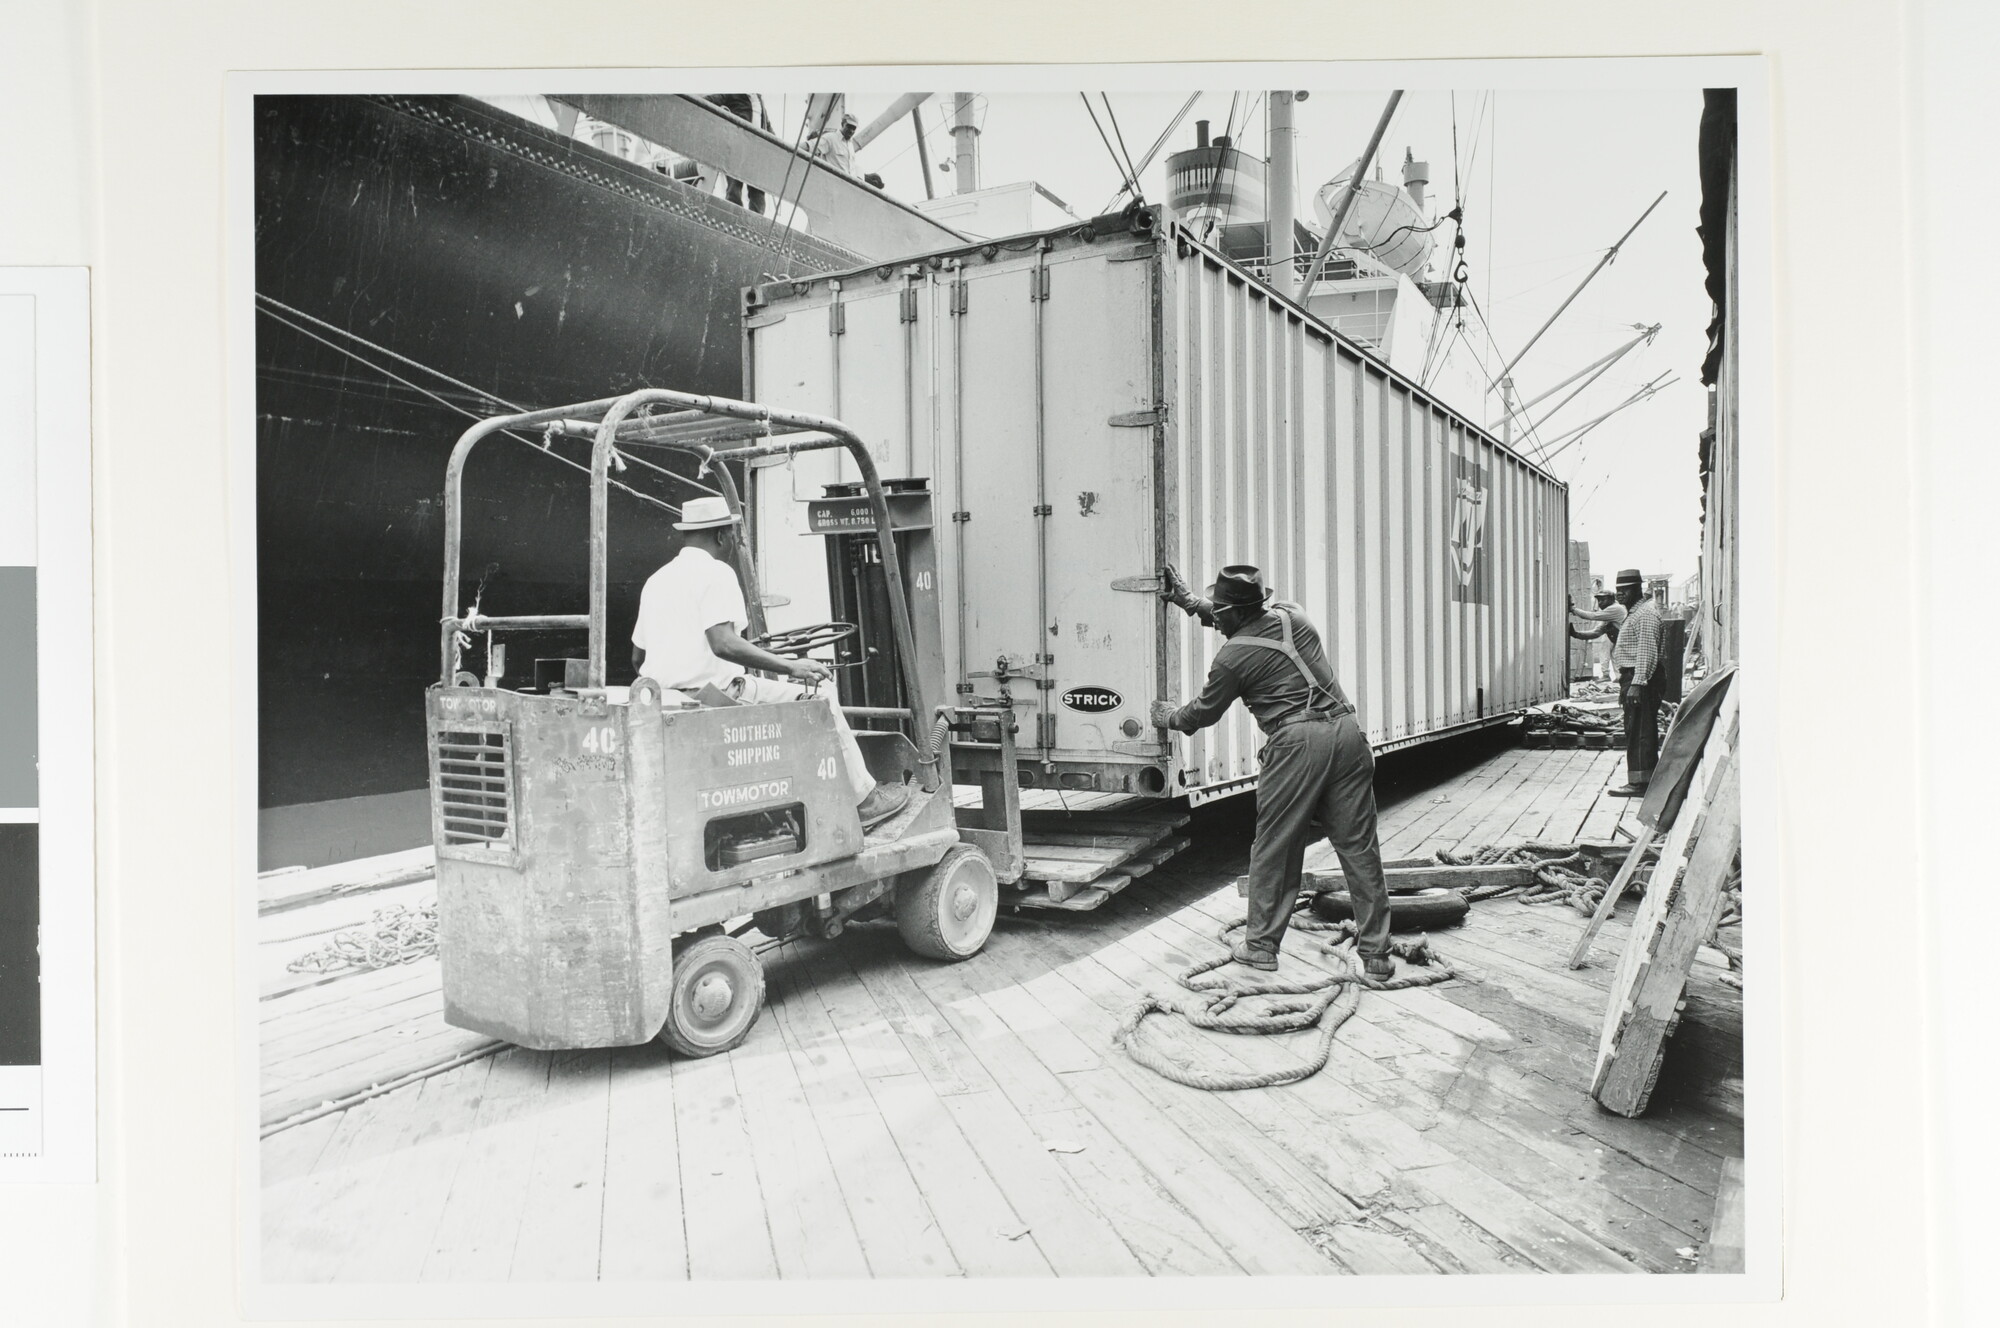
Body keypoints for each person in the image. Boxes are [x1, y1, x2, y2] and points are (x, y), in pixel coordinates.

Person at [1151, 564, 1395, 980]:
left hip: (1297, 744)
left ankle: (1261, 947)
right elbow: (1236, 618)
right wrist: (1191, 603)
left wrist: (1169, 716)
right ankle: (1377, 956)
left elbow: (1201, 715)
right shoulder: (1293, 614)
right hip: (1348, 734)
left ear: (1234, 614)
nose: (1218, 619)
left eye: (1220, 612)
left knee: (1276, 848)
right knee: (1359, 849)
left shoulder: (1231, 658)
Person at [631, 495, 909, 830]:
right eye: (731, 534)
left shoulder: (656, 580)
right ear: (721, 535)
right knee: (821, 692)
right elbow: (723, 644)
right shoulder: (717, 572)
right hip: (714, 696)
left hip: (666, 701)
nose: (733, 541)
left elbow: (638, 657)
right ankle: (864, 800)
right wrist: (792, 666)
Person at [1606, 567, 1667, 798]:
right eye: (1618, 590)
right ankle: (1644, 779)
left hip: (1641, 678)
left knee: (1640, 729)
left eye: (1625, 590)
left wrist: (1638, 682)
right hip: (1634, 676)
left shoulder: (1645, 614)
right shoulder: (1636, 612)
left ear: (1637, 589)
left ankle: (1640, 784)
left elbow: (1646, 650)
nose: (1619, 595)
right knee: (1637, 728)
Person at [703, 94, 770, 214]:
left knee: (758, 191)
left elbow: (768, 127)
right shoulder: (735, 92)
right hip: (738, 144)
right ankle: (733, 215)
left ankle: (757, 220)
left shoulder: (759, 100)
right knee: (734, 188)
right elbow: (712, 100)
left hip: (757, 149)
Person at [1568, 590, 1625, 681]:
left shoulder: (1615, 608)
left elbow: (1592, 616)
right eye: (1599, 600)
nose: (1600, 603)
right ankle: (1619, 678)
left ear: (1611, 599)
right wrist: (1576, 634)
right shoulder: (1608, 615)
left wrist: (1573, 609)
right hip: (1620, 641)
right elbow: (1596, 633)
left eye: (1603, 600)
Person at [814, 111, 859, 176]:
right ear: (842, 124)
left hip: (847, 184)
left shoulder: (850, 145)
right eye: (849, 126)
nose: (851, 131)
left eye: (854, 128)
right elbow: (810, 146)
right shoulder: (830, 138)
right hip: (833, 182)